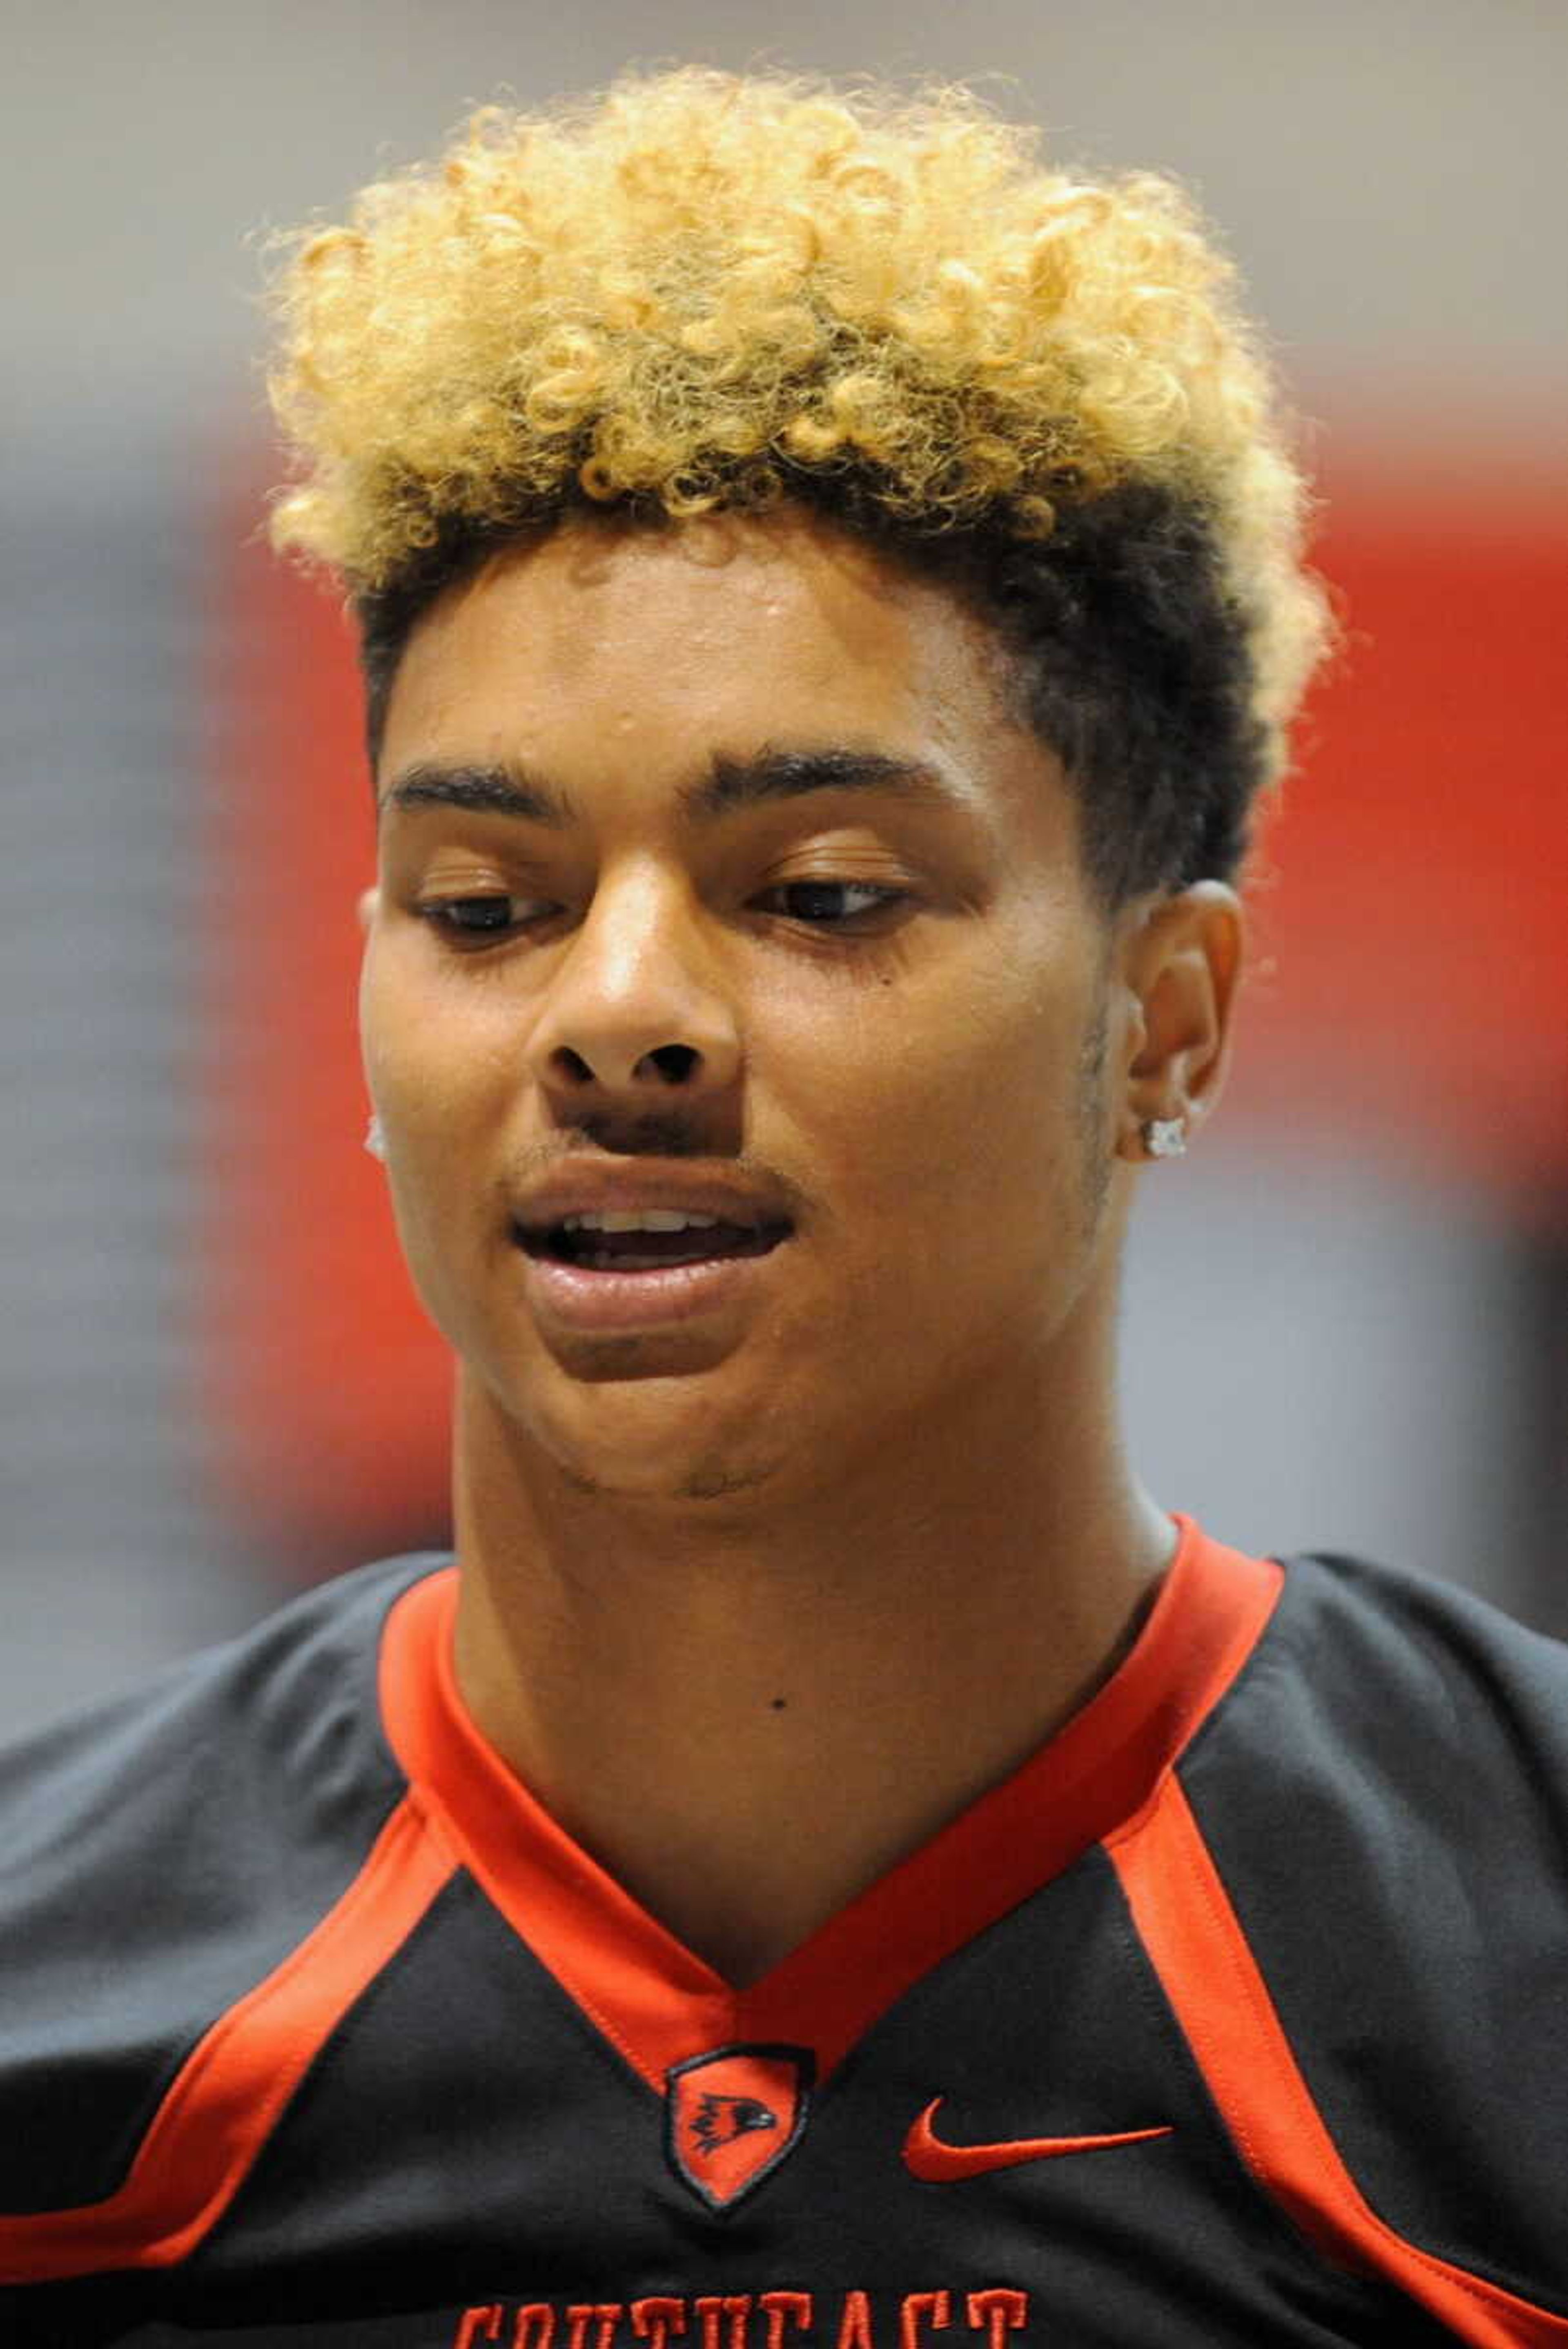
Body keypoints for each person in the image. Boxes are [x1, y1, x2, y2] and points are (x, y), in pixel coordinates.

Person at [2, 58, 1564, 2349]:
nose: (617, 1013)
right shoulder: (55, 2003)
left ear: (1174, 1017)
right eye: (486, 901)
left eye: (822, 892)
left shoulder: (1511, 1965)